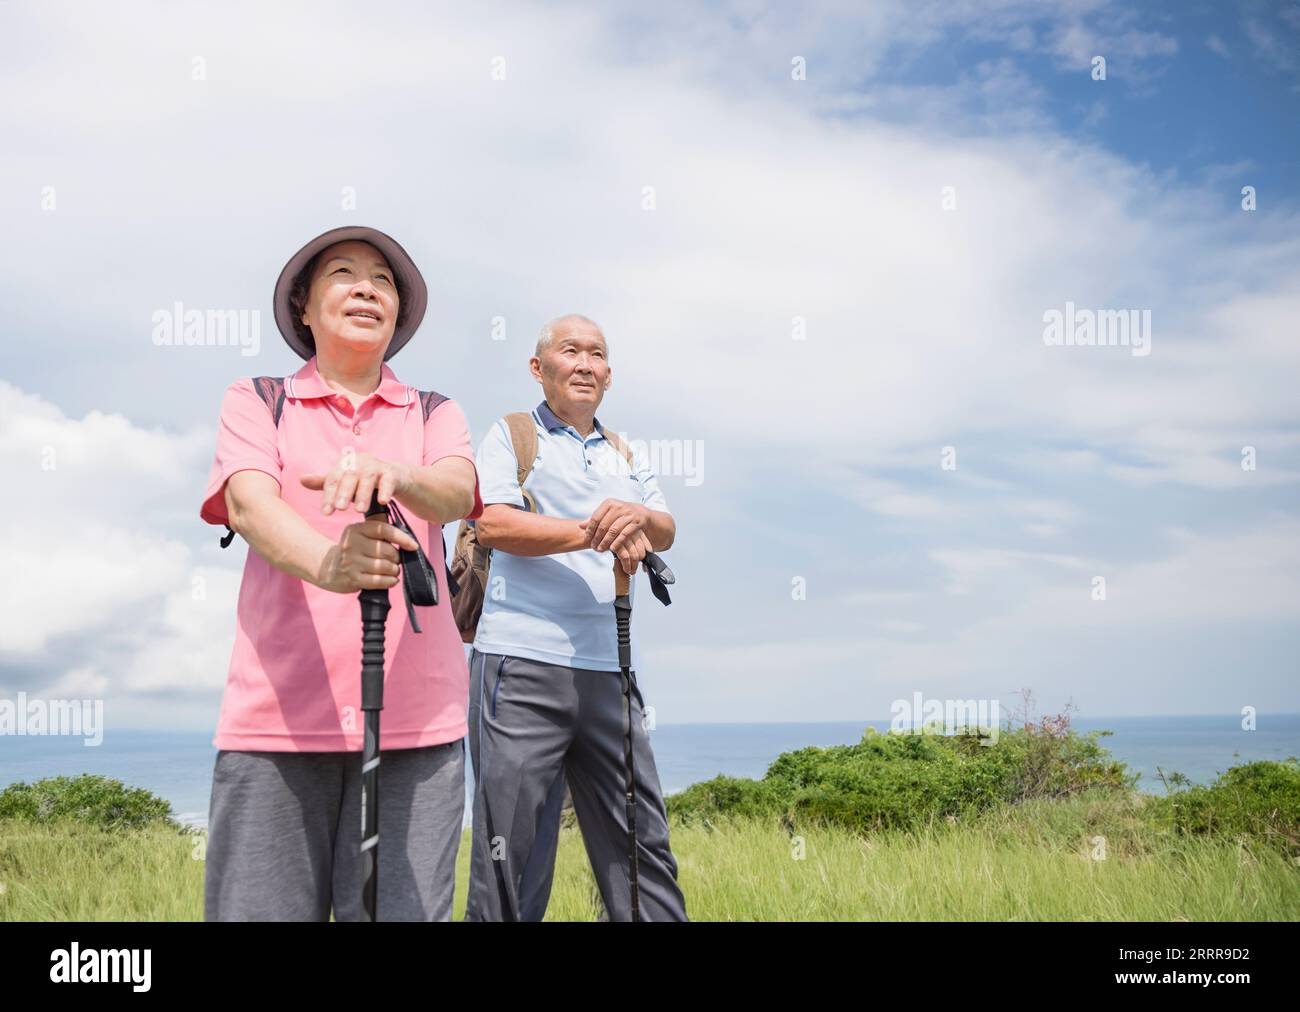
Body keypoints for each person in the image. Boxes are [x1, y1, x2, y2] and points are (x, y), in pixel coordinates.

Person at [199, 225, 482, 921]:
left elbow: (455, 489)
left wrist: (399, 474)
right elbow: (248, 503)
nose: (366, 287)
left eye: (383, 280)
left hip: (420, 727)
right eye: (343, 274)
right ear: (303, 307)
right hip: (277, 724)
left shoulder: (434, 411)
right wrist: (334, 564)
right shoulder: (258, 398)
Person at [465, 313, 687, 921]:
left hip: (609, 672)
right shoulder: (511, 434)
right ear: (540, 368)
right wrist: (597, 531)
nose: (585, 363)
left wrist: (637, 518)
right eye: (570, 351)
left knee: (642, 848)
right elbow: (494, 523)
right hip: (518, 664)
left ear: (609, 376)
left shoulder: (624, 453)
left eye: (597, 354)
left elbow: (664, 528)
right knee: (510, 854)